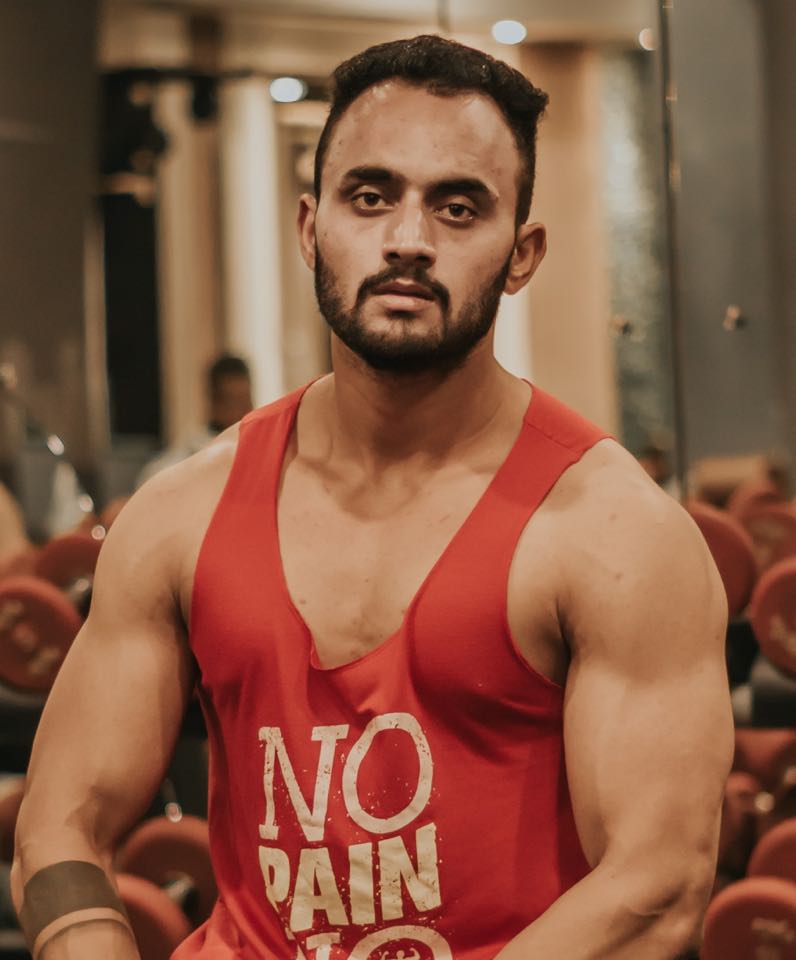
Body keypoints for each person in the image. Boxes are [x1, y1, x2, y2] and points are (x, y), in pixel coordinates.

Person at [12, 35, 732, 960]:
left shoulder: (613, 533)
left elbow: (657, 886)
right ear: (310, 228)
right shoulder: (182, 514)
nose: (407, 239)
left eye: (458, 208)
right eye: (370, 196)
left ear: (522, 254)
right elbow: (61, 823)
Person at [135, 353, 254, 487]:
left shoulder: (259, 447)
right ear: (214, 402)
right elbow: (150, 479)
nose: (241, 412)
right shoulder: (190, 455)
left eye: (245, 402)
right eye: (232, 403)